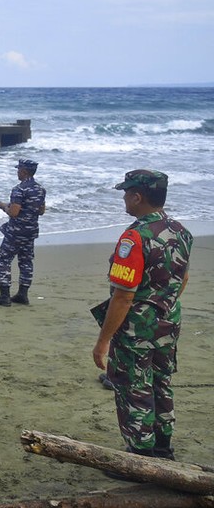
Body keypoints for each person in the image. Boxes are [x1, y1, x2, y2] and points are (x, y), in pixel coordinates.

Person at [92, 170, 191, 468]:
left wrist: (103, 340)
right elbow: (183, 278)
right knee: (161, 381)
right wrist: (162, 304)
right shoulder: (180, 231)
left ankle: (141, 457)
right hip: (168, 322)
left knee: (133, 386)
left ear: (138, 197)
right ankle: (163, 447)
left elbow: (124, 296)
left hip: (137, 328)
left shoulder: (134, 238)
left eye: (126, 192)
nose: (123, 197)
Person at [0, 158, 46, 306]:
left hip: (15, 233)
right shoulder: (40, 189)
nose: (17, 172)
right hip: (30, 232)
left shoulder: (19, 189)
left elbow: (14, 212)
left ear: (23, 171)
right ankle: (23, 294)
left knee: (4, 260)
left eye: (18, 170)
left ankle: (4, 296)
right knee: (26, 262)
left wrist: (3, 206)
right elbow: (41, 211)